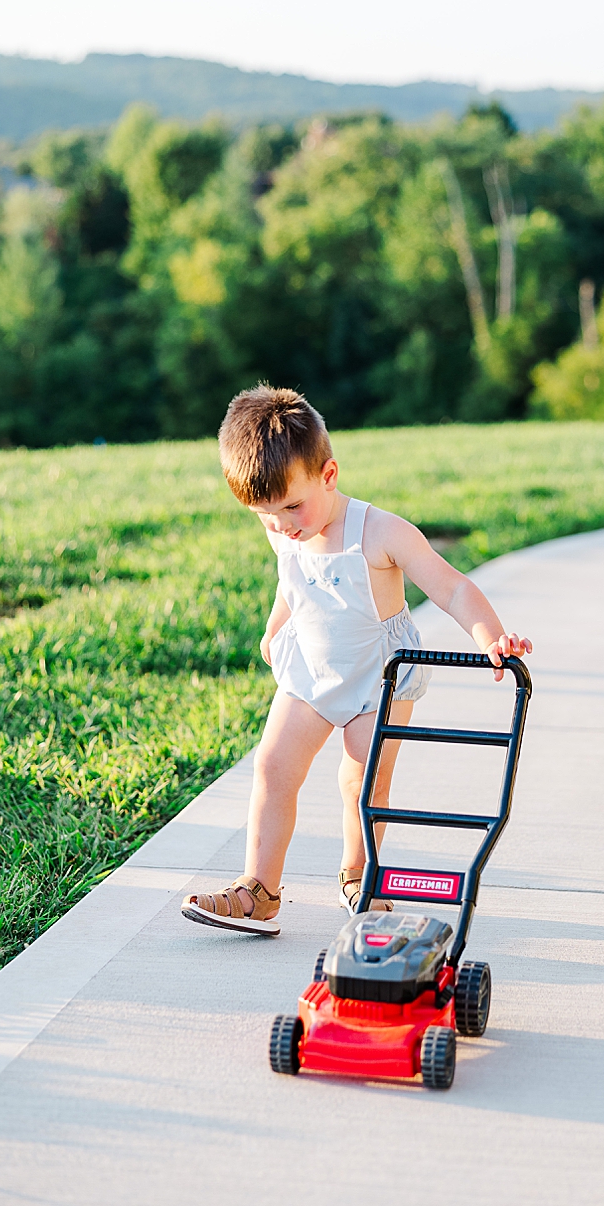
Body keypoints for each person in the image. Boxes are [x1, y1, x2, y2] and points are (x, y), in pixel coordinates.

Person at [181, 385, 531, 936]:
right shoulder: (285, 528)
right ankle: (260, 889)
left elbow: (454, 588)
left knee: (363, 782)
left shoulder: (381, 532)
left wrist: (491, 637)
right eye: (265, 515)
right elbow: (291, 581)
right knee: (273, 768)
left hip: (378, 679)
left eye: (292, 507)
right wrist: (277, 627)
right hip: (311, 673)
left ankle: (358, 875)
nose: (283, 526)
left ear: (329, 474)